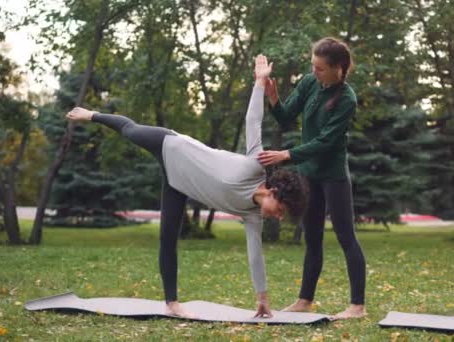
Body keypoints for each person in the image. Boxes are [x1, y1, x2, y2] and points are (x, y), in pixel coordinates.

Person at [65, 55, 308, 319]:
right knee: (130, 130)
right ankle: (92, 114)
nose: (278, 216)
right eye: (281, 209)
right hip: (171, 145)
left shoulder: (252, 217)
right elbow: (253, 121)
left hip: (178, 185)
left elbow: (255, 256)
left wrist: (263, 299)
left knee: (168, 238)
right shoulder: (255, 165)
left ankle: (171, 303)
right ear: (274, 192)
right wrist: (259, 83)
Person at [257, 37, 367, 319]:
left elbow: (326, 142)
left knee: (346, 237)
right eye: (313, 66)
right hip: (309, 174)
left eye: (320, 68)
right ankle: (304, 300)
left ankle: (357, 306)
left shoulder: (346, 99)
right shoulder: (309, 83)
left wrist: (286, 155)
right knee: (312, 239)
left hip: (333, 175)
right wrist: (273, 96)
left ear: (338, 69)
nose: (314, 72)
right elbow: (285, 117)